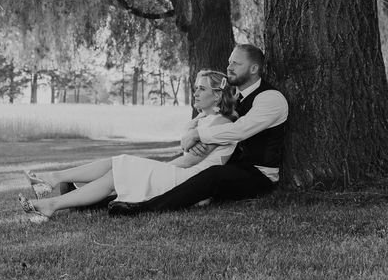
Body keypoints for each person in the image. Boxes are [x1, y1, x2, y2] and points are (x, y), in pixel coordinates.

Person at [18, 69, 237, 224]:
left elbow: (190, 161)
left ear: (217, 95)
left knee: (122, 166)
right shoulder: (202, 120)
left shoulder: (222, 123)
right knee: (118, 169)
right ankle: (52, 189)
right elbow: (189, 152)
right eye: (196, 87)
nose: (196, 93)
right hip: (180, 173)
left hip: (189, 182)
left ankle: (52, 192)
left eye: (202, 88)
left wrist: (155, 167)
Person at [110, 43, 289, 215]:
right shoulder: (235, 97)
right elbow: (199, 121)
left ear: (254, 69)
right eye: (229, 62)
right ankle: (111, 198)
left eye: (237, 63)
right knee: (181, 172)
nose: (229, 67)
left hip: (258, 175)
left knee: (213, 175)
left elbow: (240, 130)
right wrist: (189, 136)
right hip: (232, 165)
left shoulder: (270, 98)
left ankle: (145, 208)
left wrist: (198, 135)